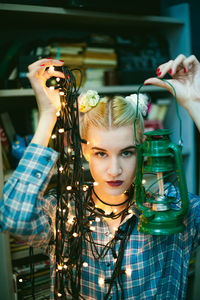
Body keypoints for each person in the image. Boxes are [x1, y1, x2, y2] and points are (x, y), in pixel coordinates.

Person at [0, 54, 200, 300]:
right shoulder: (62, 212)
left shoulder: (172, 210)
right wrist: (48, 116)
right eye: (101, 153)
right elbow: (12, 216)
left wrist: (195, 103)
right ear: (85, 151)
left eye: (126, 152)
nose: (114, 170)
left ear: (142, 150)